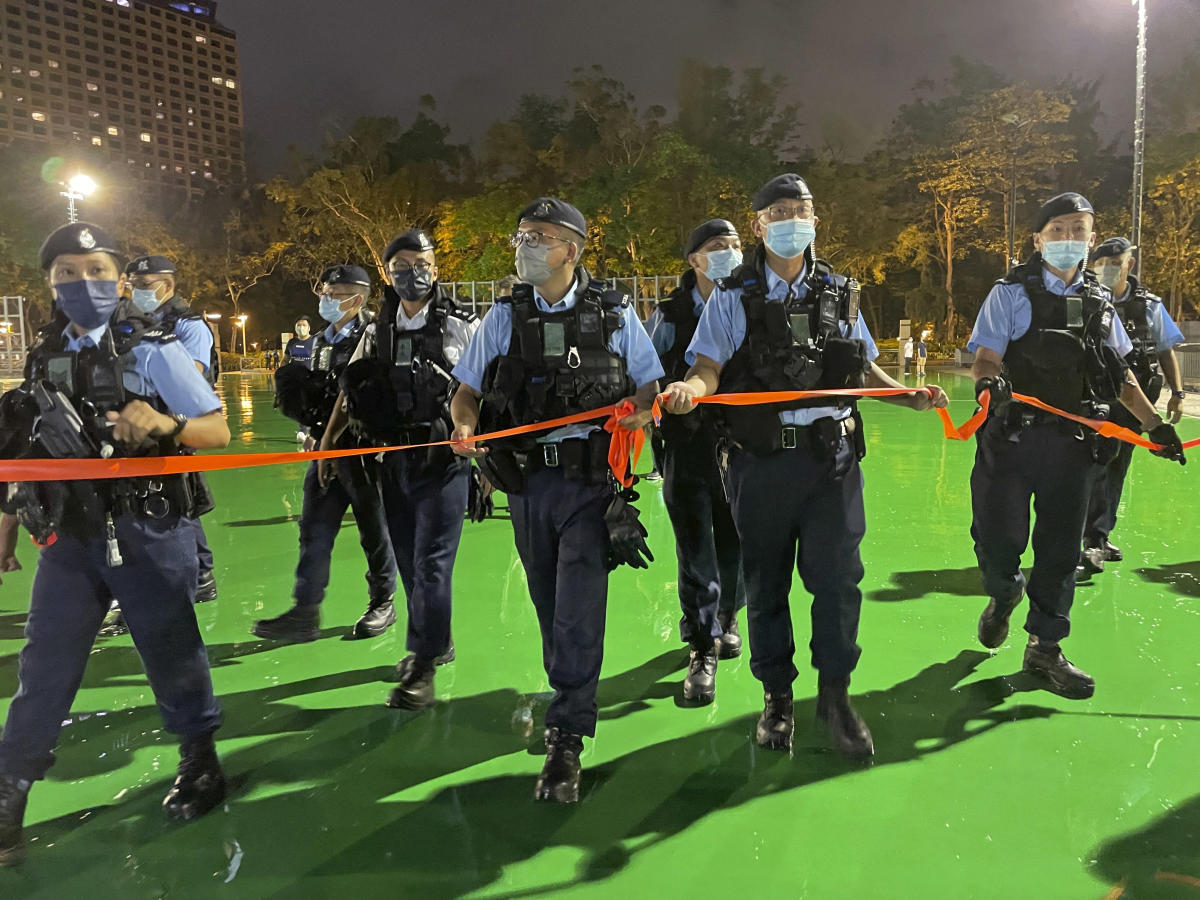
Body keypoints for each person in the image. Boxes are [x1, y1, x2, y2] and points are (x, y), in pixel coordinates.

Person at [659, 174, 948, 760]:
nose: (796, 219)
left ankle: (836, 696)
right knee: (766, 583)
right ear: (759, 223)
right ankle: (777, 697)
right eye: (782, 211)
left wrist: (906, 395)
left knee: (838, 580)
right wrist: (689, 387)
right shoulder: (732, 297)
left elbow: (862, 369)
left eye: (805, 209)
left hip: (832, 462)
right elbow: (709, 367)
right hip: (761, 464)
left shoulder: (840, 293)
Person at [0, 223, 231, 866]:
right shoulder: (42, 358)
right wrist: (8, 525)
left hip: (149, 528)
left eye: (96, 270)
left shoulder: (153, 353)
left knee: (171, 651)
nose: (83, 283)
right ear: (48, 284)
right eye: (66, 272)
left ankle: (200, 760)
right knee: (44, 663)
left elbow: (217, 432)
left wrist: (165, 422)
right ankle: (9, 791)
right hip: (70, 537)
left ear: (119, 280)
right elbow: (22, 453)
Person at [450, 197, 662, 802]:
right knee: (547, 598)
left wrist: (640, 413)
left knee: (577, 601)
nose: (524, 246)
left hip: (591, 484)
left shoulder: (616, 315)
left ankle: (567, 733)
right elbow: (466, 390)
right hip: (525, 486)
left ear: (571, 249)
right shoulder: (502, 318)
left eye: (538, 236)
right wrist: (465, 427)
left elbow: (648, 385)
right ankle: (567, 685)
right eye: (521, 235)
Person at [967, 194, 1186, 700]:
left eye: (1079, 230)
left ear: (1091, 239)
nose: (1069, 239)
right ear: (1038, 239)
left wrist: (1153, 425)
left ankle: (1045, 646)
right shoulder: (1010, 294)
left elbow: (1122, 374)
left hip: (1072, 446)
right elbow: (985, 358)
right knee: (999, 545)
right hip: (1012, 442)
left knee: (1061, 551)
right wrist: (988, 386)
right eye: (1058, 229)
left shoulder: (1100, 303)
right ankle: (1003, 596)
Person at [320, 230, 479, 709]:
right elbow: (353, 389)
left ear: (436, 266)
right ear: (388, 274)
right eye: (401, 265)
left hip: (445, 459)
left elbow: (484, 388)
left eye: (422, 262)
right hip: (395, 460)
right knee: (409, 559)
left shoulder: (461, 324)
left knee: (432, 562)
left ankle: (423, 663)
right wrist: (330, 440)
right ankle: (438, 638)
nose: (414, 273)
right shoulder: (378, 329)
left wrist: (486, 457)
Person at [252, 265, 398, 642]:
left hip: (364, 451)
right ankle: (305, 610)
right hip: (324, 448)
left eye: (335, 293)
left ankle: (383, 602)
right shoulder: (320, 341)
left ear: (358, 299)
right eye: (325, 291)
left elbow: (366, 397)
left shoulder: (375, 336)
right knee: (313, 530)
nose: (326, 299)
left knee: (374, 531)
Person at [645, 218, 747, 704]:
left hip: (744, 447)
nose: (729, 251)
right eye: (716, 246)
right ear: (695, 261)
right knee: (694, 550)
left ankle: (728, 616)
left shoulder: (752, 306)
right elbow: (644, 372)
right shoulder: (670, 315)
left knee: (736, 544)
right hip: (686, 446)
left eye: (735, 244)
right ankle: (702, 644)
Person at [1078, 236, 1187, 576]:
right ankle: (1091, 540)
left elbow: (1165, 349)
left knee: (1117, 467)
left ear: (1130, 264)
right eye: (1102, 264)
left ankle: (1101, 534)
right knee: (1096, 464)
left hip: (1137, 402)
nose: (1108, 269)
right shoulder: (1086, 300)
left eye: (1115, 263)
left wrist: (1178, 394)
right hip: (1099, 398)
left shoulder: (1149, 305)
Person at [124, 255, 219, 604]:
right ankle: (200, 572)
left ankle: (199, 573)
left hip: (176, 423)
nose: (136, 290)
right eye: (132, 283)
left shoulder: (188, 325)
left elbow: (188, 378)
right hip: (144, 425)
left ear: (168, 285)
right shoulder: (135, 322)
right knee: (164, 500)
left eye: (145, 285)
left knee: (174, 499)